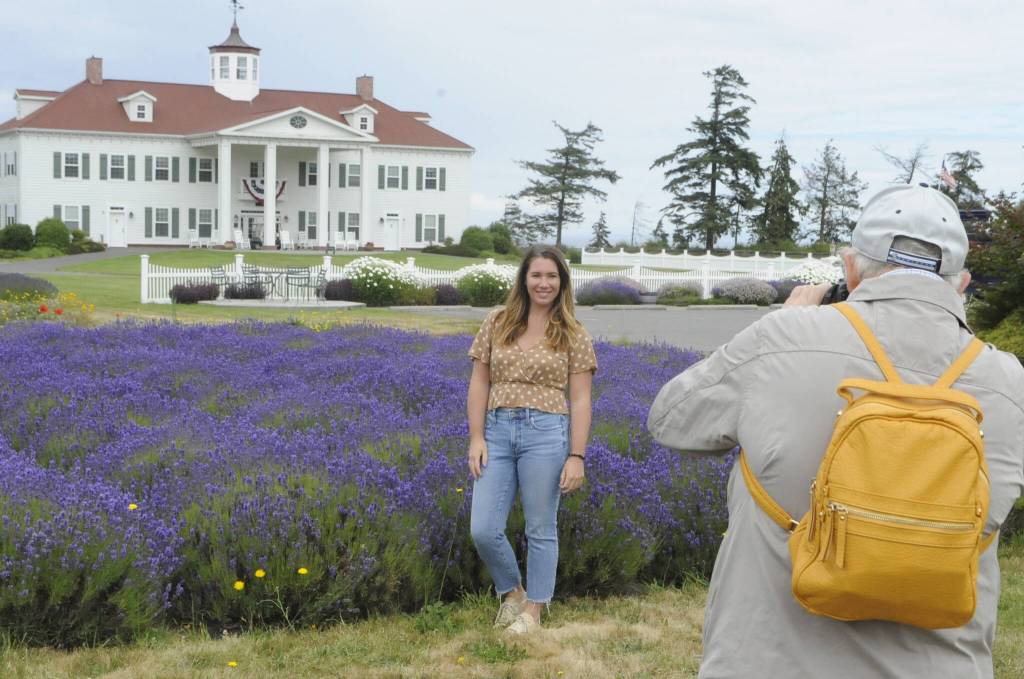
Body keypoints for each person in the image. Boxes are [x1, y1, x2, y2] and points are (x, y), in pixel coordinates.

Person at [647, 184, 1024, 678]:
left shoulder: (782, 339)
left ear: (850, 268)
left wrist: (783, 323)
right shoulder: (1011, 382)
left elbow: (670, 419)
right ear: (962, 284)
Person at [466, 244, 598, 635]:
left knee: (541, 527)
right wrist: (476, 437)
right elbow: (479, 381)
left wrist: (577, 455)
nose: (544, 283)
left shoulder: (573, 332)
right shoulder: (498, 321)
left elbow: (580, 398)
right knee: (483, 528)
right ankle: (513, 592)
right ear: (524, 279)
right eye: (537, 275)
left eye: (552, 276)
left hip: (546, 433)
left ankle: (534, 612)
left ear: (562, 283)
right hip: (498, 431)